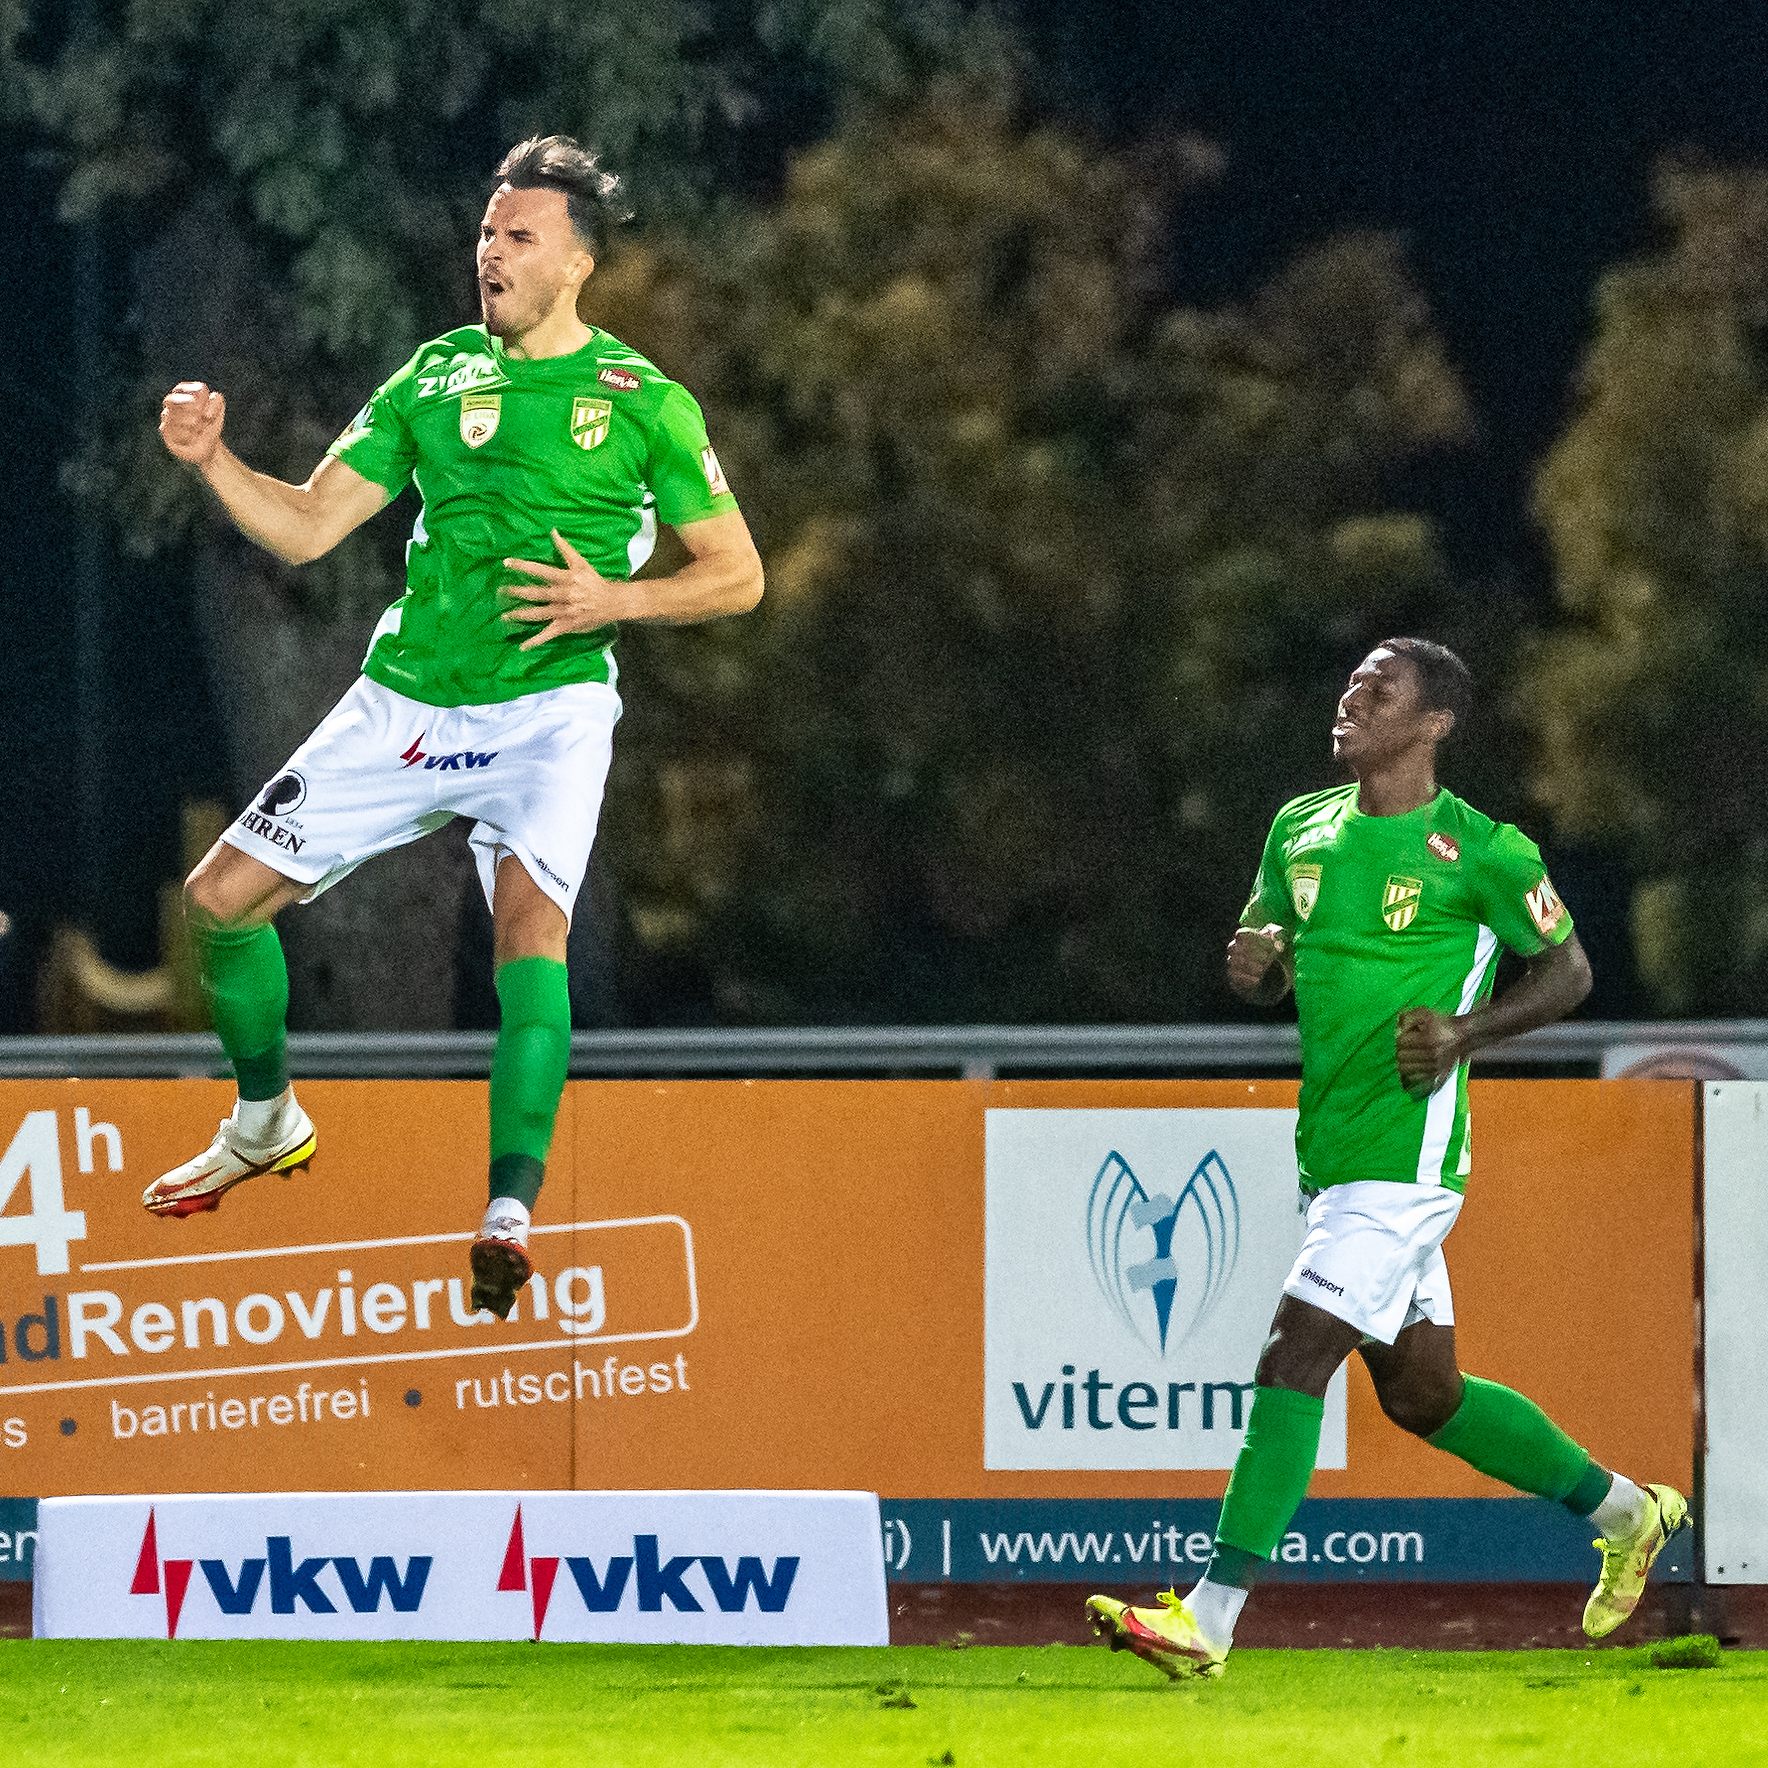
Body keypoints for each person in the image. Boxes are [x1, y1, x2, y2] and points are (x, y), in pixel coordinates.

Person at [143, 135, 764, 1319]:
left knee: (531, 931)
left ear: (576, 265)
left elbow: (737, 575)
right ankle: (264, 1118)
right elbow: (309, 525)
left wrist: (615, 600)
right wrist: (213, 459)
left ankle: (507, 1215)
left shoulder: (644, 403)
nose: (491, 252)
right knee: (216, 902)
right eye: (486, 232)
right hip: (409, 699)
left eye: (520, 236)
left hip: (547, 712)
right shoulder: (433, 376)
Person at [1087, 638, 1686, 1678]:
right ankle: (1631, 1512)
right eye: (1354, 680)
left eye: (1381, 687)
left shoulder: (1485, 851)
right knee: (1422, 1395)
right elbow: (1271, 959)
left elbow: (1570, 972)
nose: (1353, 696)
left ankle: (1208, 1619)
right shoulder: (1299, 827)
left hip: (1407, 1161)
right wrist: (1256, 967)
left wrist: (1464, 1033)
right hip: (1330, 1151)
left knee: (1294, 1354)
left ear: (1434, 723)